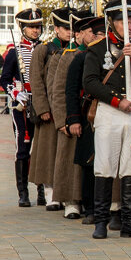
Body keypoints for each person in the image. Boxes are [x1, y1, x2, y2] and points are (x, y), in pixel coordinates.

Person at [83, 0, 131, 240]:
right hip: (109, 111)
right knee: (104, 165)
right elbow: (90, 83)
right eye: (124, 21)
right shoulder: (97, 49)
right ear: (112, 23)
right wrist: (117, 100)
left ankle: (129, 222)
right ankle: (101, 222)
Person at [50, 11, 94, 218]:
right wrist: (62, 120)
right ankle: (71, 202)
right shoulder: (68, 57)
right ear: (80, 34)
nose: (95, 35)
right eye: (91, 32)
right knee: (69, 162)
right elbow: (59, 91)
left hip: (92, 116)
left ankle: (90, 201)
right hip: (72, 115)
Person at [29, 7, 74, 208]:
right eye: (65, 28)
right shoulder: (43, 50)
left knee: (64, 153)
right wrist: (43, 108)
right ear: (56, 29)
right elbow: (36, 81)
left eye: (72, 28)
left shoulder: (74, 50)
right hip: (48, 109)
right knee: (49, 153)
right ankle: (50, 194)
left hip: (66, 107)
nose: (69, 32)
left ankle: (65, 193)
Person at [0, 9, 44, 205]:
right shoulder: (14, 52)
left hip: (42, 104)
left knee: (42, 149)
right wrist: (16, 94)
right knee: (23, 149)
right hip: (22, 107)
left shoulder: (45, 50)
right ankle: (23, 193)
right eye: (32, 27)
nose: (36, 30)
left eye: (38, 26)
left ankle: (43, 191)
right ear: (23, 28)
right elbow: (5, 79)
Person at [65, 12, 104, 225]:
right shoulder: (81, 58)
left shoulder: (109, 56)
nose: (98, 37)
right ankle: (91, 208)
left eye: (101, 33)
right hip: (88, 114)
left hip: (108, 113)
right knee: (89, 163)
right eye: (94, 33)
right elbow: (71, 91)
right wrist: (73, 119)